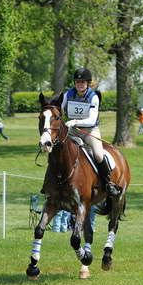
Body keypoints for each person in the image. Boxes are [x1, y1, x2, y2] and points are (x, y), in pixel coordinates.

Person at [61, 68, 120, 196]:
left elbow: (92, 120)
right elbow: (60, 110)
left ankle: (108, 182)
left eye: (82, 82)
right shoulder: (67, 95)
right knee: (58, 149)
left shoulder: (93, 97)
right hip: (71, 131)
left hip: (89, 131)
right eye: (77, 82)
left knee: (98, 155)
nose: (80, 84)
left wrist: (75, 122)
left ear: (88, 83)